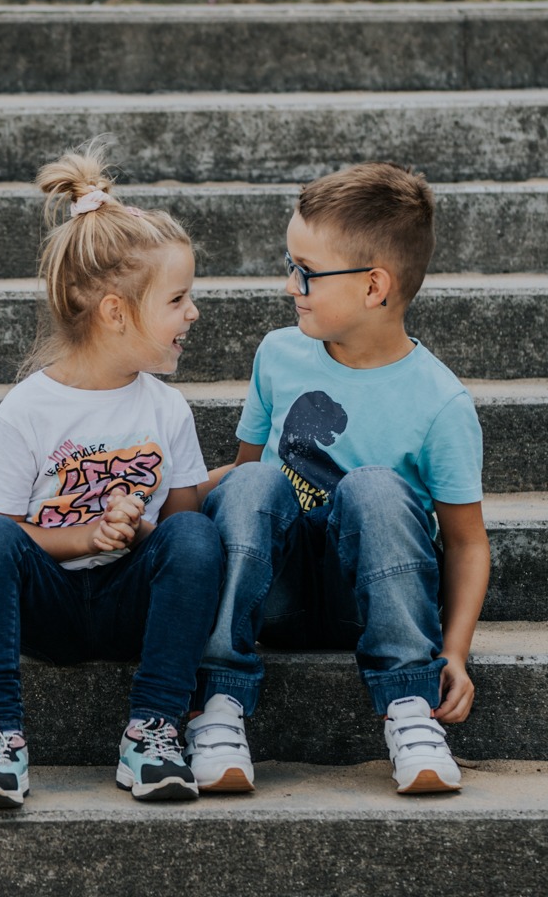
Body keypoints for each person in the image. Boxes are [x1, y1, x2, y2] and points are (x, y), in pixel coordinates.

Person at [188, 163, 489, 795]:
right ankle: (218, 707)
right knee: (253, 485)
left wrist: (454, 652)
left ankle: (409, 708)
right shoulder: (278, 353)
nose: (289, 283)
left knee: (375, 487)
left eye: (306, 270)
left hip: (373, 603)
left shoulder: (440, 402)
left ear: (375, 285)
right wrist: (162, 496)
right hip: (277, 592)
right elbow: (246, 481)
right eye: (289, 262)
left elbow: (466, 542)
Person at [0, 147, 224, 808]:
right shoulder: (29, 409)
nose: (193, 314)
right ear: (113, 312)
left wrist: (144, 527)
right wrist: (88, 537)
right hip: (49, 606)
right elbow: (2, 541)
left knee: (194, 537)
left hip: (135, 605)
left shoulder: (166, 408)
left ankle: (154, 729)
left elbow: (182, 528)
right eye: (179, 299)